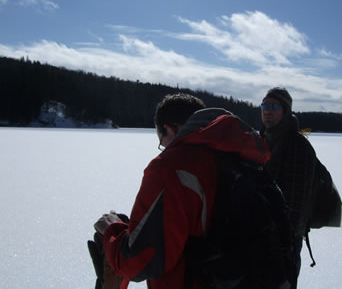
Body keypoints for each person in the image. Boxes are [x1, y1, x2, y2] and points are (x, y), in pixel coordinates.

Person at [93, 93, 287, 289]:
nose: (164, 148)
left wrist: (112, 231)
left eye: (162, 141)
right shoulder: (245, 161)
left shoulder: (173, 166)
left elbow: (137, 261)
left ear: (167, 128)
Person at [259, 87, 318, 287]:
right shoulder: (259, 140)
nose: (267, 110)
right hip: (258, 233)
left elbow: (296, 200)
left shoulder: (298, 147)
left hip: (285, 239)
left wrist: (282, 240)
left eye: (273, 106)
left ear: (285, 110)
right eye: (264, 105)